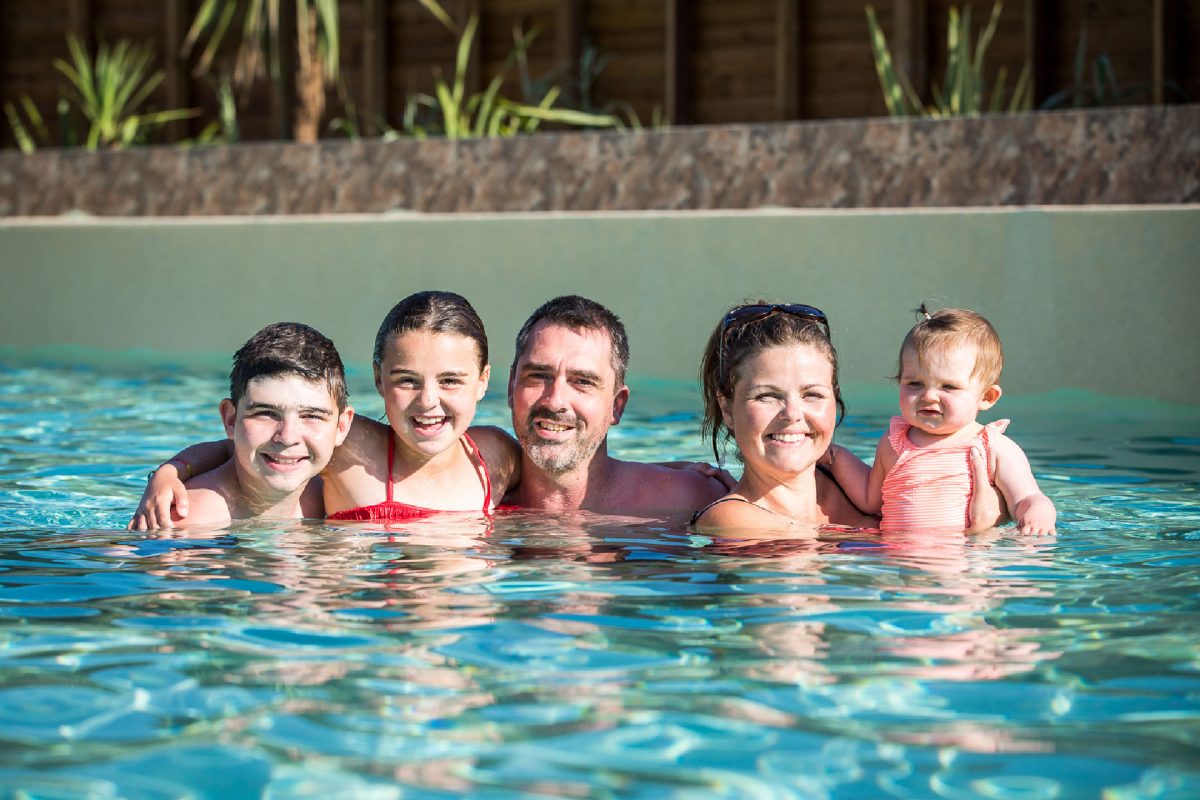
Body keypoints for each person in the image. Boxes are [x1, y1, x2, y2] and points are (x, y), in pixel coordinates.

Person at [131, 291, 520, 529]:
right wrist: (170, 472)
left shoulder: (493, 453)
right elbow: (239, 445)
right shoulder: (351, 443)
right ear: (379, 379)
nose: (428, 401)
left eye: (450, 380)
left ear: (483, 381)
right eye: (407, 380)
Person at [830, 306, 1056, 534]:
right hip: (897, 553)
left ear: (986, 397)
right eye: (914, 384)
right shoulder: (893, 443)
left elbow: (1026, 497)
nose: (928, 396)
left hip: (964, 555)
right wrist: (835, 456)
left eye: (948, 386)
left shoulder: (993, 447)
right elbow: (870, 501)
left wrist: (1038, 514)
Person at [503, 295, 727, 516]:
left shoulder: (690, 500)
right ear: (512, 386)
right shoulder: (483, 499)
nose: (555, 401)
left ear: (617, 405)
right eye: (539, 375)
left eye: (582, 382)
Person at [690, 302, 879, 531]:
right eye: (766, 396)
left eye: (812, 395)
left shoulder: (857, 489)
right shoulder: (731, 519)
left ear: (835, 400)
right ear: (727, 410)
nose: (792, 414)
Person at [164, 322, 354, 527]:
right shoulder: (188, 522)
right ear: (230, 419)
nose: (288, 437)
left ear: (341, 427)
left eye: (312, 416)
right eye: (266, 413)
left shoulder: (336, 493)